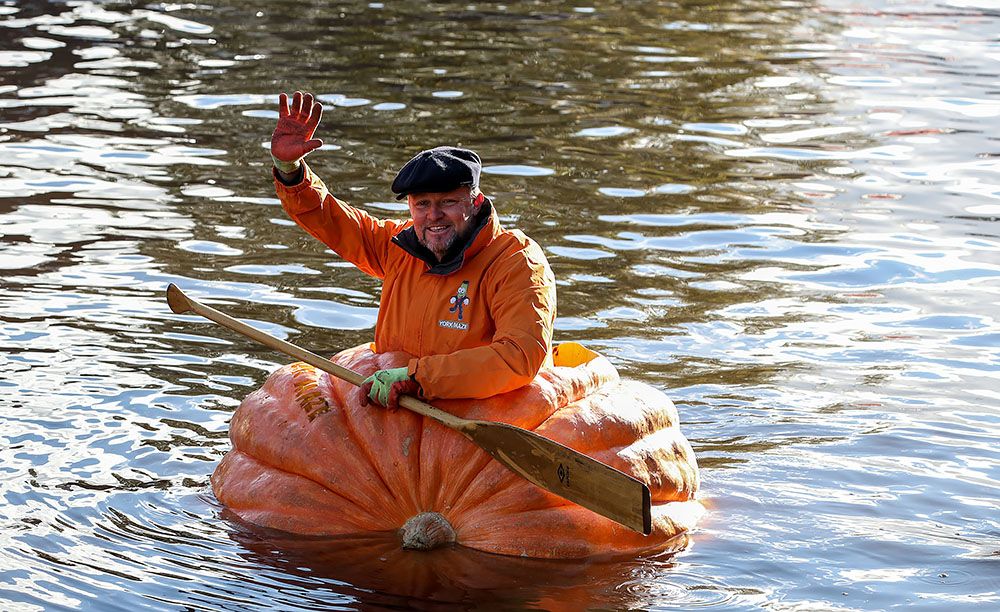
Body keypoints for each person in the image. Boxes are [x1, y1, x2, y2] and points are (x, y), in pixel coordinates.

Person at [270, 91, 556, 409]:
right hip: (398, 409)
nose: (433, 216)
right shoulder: (399, 245)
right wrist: (290, 170)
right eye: (422, 204)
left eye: (448, 202)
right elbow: (333, 221)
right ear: (410, 206)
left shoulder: (517, 261)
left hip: (484, 413)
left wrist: (417, 378)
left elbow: (518, 357)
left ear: (475, 202)